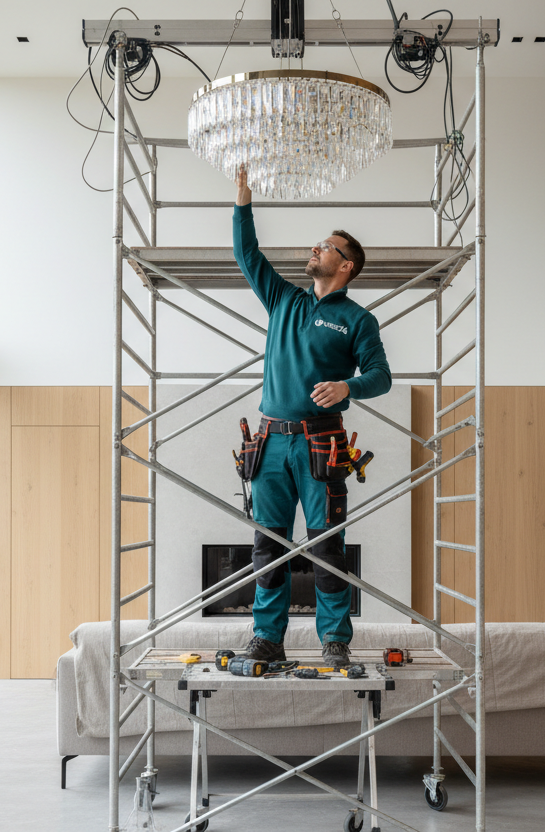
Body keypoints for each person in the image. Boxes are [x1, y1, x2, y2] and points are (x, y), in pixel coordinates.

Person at [231, 165, 392, 668]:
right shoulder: (284, 299)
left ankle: (335, 641)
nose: (315, 250)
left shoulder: (357, 320)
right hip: (271, 442)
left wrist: (349, 385)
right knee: (267, 547)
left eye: (325, 247)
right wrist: (242, 204)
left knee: (327, 549)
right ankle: (266, 638)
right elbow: (247, 256)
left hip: (323, 444)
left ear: (345, 266)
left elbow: (382, 376)